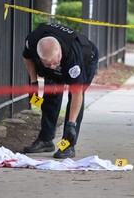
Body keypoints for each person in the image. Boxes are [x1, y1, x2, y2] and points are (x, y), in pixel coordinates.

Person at [23, 22, 99, 159]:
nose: (52, 67)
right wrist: (34, 83)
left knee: (74, 99)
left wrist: (71, 124)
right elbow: (27, 58)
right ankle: (46, 140)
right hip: (59, 59)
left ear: (59, 52)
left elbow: (77, 94)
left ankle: (68, 144)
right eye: (47, 64)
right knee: (50, 96)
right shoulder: (32, 41)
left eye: (54, 62)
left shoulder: (72, 56)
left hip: (86, 60)